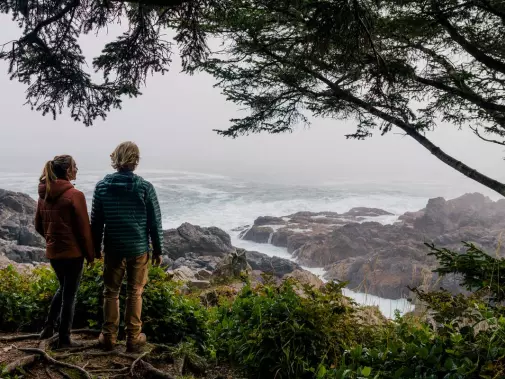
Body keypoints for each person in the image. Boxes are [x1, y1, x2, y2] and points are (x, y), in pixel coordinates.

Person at [91, 141, 163, 353]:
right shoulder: (144, 187)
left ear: (116, 159)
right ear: (136, 160)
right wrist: (158, 250)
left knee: (110, 292)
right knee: (135, 292)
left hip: (113, 247)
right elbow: (154, 222)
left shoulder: (102, 187)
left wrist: (95, 249)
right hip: (138, 248)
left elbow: (96, 222)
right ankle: (133, 338)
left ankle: (109, 337)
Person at [35, 155, 94, 348]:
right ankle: (64, 339)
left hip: (54, 253)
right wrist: (91, 254)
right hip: (73, 254)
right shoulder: (75, 195)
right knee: (70, 294)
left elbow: (38, 225)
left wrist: (52, 240)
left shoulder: (43, 194)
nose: (77, 169)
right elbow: (84, 230)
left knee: (64, 288)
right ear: (68, 170)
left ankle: (48, 328)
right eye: (75, 166)